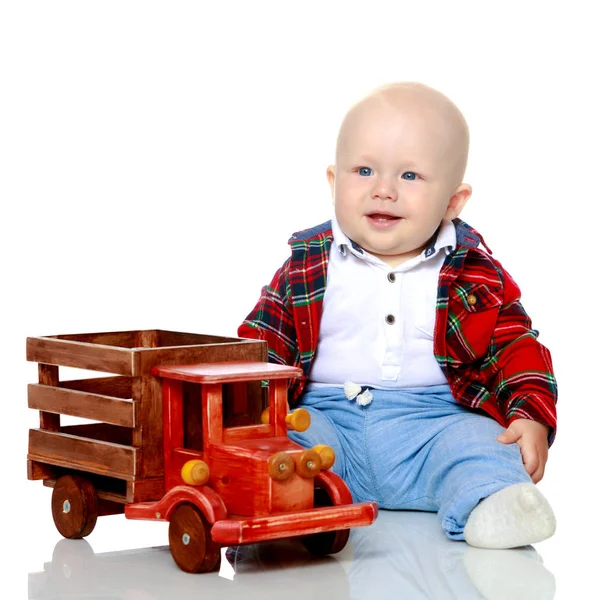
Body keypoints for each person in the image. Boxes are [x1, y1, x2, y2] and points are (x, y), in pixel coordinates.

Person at [238, 82, 557, 549]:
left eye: (410, 176)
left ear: (453, 201)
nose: (383, 190)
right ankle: (297, 507)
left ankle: (495, 503)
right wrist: (248, 406)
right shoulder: (308, 263)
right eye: (364, 170)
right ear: (333, 182)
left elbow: (515, 346)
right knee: (278, 447)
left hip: (435, 423)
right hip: (325, 420)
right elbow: (262, 342)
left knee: (483, 448)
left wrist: (531, 414)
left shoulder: (472, 271)